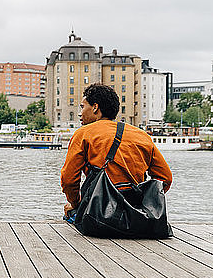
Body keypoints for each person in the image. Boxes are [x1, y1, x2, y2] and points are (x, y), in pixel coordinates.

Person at [61, 83, 172, 220]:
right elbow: (165, 178)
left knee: (69, 211)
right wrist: (146, 201)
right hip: (136, 214)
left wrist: (76, 203)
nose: (80, 113)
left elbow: (69, 179)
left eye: (83, 107)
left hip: (99, 215)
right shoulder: (142, 135)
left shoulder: (83, 134)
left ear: (95, 107)